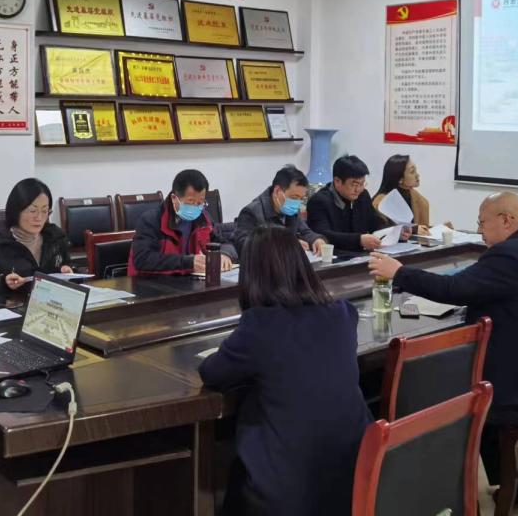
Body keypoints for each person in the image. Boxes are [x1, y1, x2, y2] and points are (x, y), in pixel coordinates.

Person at [367, 192, 518, 504]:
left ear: (506, 221)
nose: (479, 230)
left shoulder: (510, 255)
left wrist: (398, 272)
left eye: (482, 222)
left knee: (462, 392)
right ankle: (515, 484)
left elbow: (454, 288)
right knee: (473, 378)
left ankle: (444, 496)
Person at [200, 225, 372, 516]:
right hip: (353, 482)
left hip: (287, 495)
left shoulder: (260, 326)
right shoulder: (343, 314)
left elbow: (212, 373)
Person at [0, 177, 72, 293]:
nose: (39, 218)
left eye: (45, 211)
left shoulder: (55, 238)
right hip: (10, 304)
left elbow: (69, 268)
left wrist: (69, 273)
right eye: (33, 211)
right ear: (16, 211)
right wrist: (3, 284)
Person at [128, 169, 237, 276]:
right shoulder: (152, 220)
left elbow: (224, 243)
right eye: (191, 202)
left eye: (200, 202)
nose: (196, 207)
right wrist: (188, 262)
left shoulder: (203, 218)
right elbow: (143, 259)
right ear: (174, 198)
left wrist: (225, 254)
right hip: (153, 283)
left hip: (190, 282)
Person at [306, 154, 407, 252]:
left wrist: (394, 232)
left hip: (359, 255)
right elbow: (323, 235)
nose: (358, 189)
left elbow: (375, 223)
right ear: (337, 181)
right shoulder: (319, 201)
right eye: (354, 184)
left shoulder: (363, 196)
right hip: (334, 256)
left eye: (362, 183)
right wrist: (359, 240)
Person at [233, 165, 326, 256]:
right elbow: (244, 247)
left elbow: (305, 231)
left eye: (301, 198)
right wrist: (286, 245)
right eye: (294, 197)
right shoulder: (252, 212)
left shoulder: (292, 210)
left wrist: (316, 239)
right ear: (277, 191)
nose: (297, 203)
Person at [372, 154, 431, 233]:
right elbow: (381, 230)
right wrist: (413, 229)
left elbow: (424, 228)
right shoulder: (381, 202)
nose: (417, 175)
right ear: (400, 179)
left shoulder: (416, 196)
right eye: (412, 172)